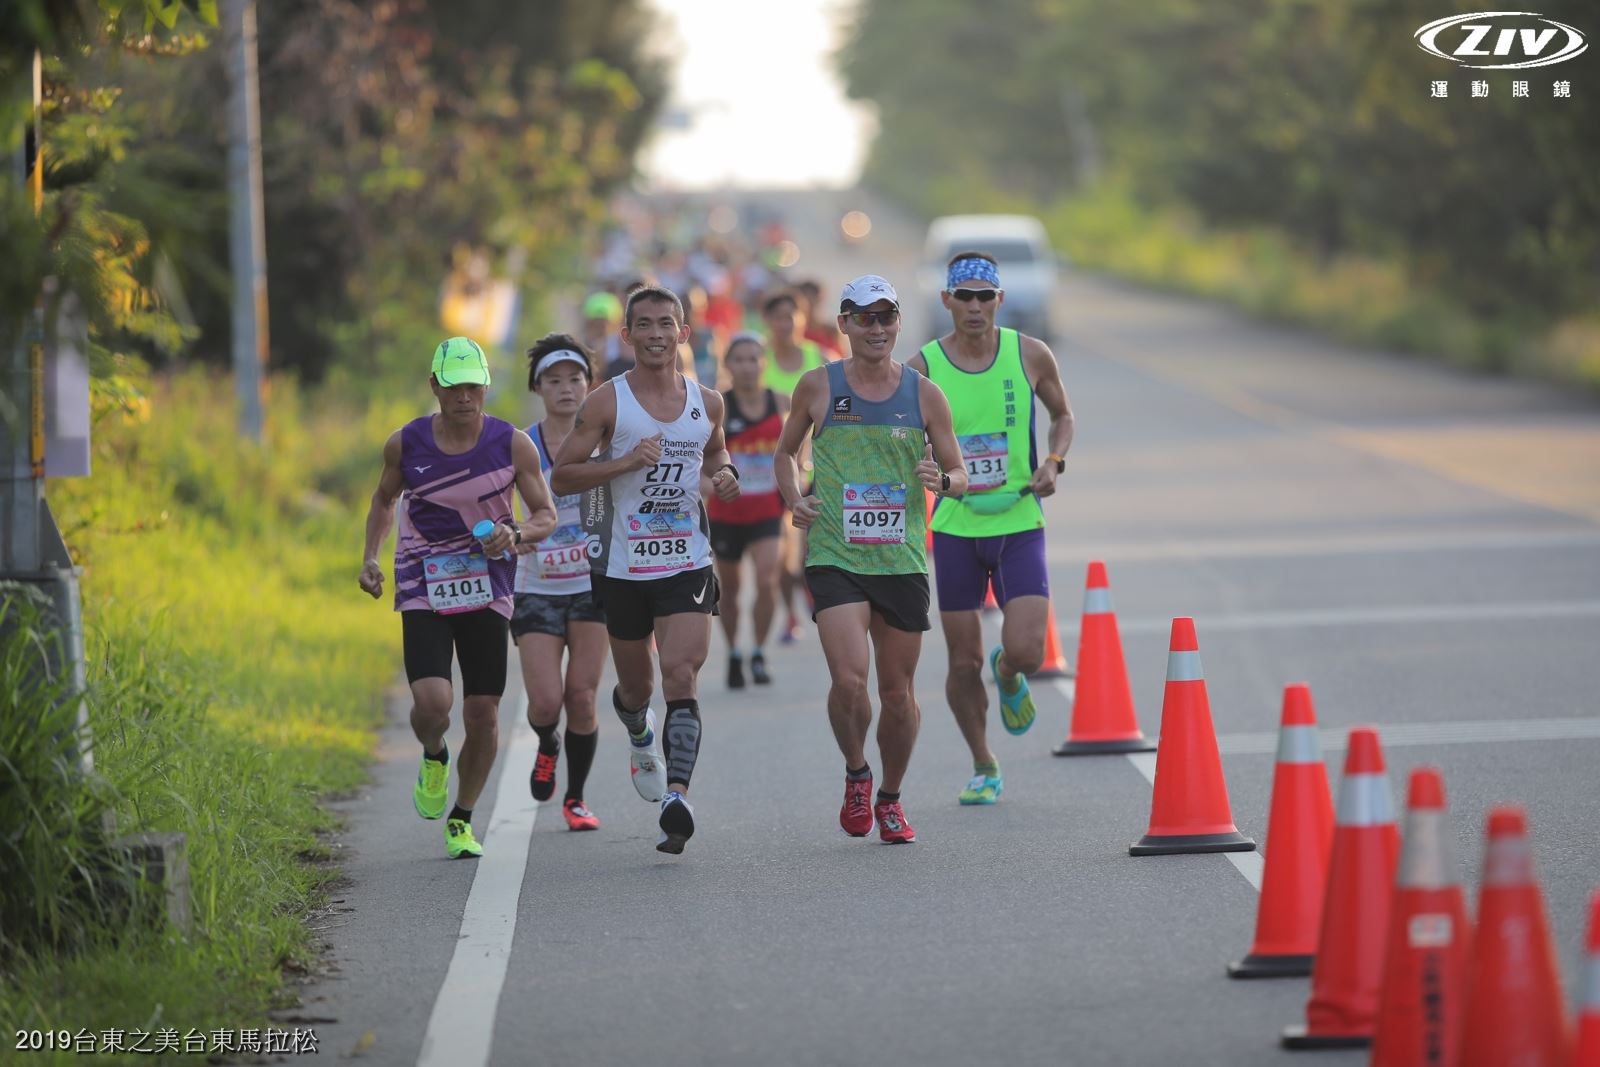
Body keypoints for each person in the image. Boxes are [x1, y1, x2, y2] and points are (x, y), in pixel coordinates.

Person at [774, 276, 968, 845]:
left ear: (898, 324)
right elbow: (786, 454)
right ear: (844, 325)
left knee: (897, 695)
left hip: (902, 560)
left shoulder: (925, 394)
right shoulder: (817, 386)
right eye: (865, 318)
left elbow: (958, 473)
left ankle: (890, 796)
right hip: (835, 553)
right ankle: (858, 772)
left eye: (887, 317)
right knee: (850, 680)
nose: (877, 328)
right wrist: (794, 499)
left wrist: (944, 480)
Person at [550, 286, 741, 855]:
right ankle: (638, 728)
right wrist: (626, 461)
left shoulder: (708, 401)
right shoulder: (607, 403)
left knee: (681, 673)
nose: (657, 334)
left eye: (667, 323)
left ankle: (675, 797)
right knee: (638, 687)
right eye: (645, 325)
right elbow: (562, 476)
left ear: (684, 332)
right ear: (627, 335)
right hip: (622, 563)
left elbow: (716, 453)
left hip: (686, 557)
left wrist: (725, 475)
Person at [359, 337, 559, 859]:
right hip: (423, 581)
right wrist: (371, 557)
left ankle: (462, 817)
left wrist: (517, 536)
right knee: (433, 703)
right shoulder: (405, 444)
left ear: (485, 387)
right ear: (435, 387)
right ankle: (432, 752)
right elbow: (383, 501)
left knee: (483, 715)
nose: (464, 396)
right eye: (453, 386)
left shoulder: (513, 445)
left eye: (473, 386)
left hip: (488, 583)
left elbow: (545, 515)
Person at [907, 251, 1076, 805]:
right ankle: (984, 762)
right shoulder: (924, 367)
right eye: (965, 296)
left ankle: (1010, 673)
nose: (975, 306)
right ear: (947, 300)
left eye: (986, 295)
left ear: (999, 300)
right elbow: (897, 437)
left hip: (1019, 518)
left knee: (1025, 651)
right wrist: (922, 467)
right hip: (955, 526)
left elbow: (1063, 416)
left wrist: (1053, 462)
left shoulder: (1029, 354)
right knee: (962, 661)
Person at [513, 334, 609, 831]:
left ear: (589, 385)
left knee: (583, 696)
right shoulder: (521, 444)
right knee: (546, 702)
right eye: (555, 380)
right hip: (537, 586)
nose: (567, 389)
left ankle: (576, 798)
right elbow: (493, 502)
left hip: (593, 585)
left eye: (575, 379)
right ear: (538, 387)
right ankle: (547, 743)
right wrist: (516, 534)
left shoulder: (605, 439)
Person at [706, 332, 788, 689]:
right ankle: (734, 654)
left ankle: (757, 651)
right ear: (727, 365)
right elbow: (702, 457)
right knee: (732, 589)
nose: (747, 366)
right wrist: (709, 483)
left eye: (753, 358)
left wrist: (798, 477)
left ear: (763, 363)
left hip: (768, 508)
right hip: (726, 512)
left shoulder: (780, 403)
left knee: (768, 578)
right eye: (738, 359)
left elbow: (798, 450)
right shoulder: (716, 407)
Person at [761, 289, 832, 645]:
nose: (785, 324)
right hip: (775, 467)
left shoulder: (819, 358)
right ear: (768, 322)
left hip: (820, 469)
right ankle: (790, 612)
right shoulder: (760, 362)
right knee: (783, 552)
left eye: (792, 316)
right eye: (778, 317)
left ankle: (816, 596)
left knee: (810, 547)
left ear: (803, 320)